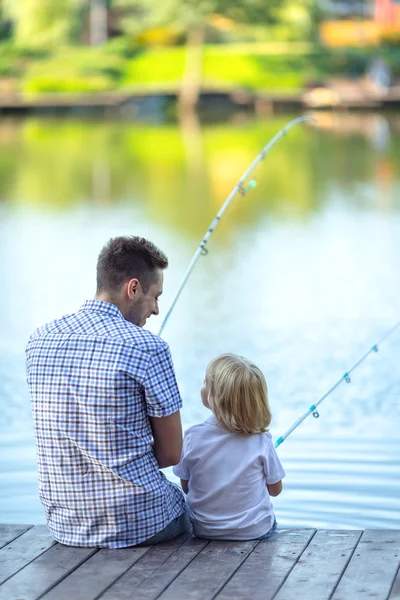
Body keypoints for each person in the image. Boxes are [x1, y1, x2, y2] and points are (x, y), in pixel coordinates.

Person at [26, 236, 189, 548]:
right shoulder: (148, 347)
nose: (156, 309)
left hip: (65, 525)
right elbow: (171, 453)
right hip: (140, 522)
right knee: (197, 512)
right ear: (133, 288)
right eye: (155, 297)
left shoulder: (39, 340)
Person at [173, 353, 285, 540]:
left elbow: (186, 486)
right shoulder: (262, 440)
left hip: (204, 529)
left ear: (215, 397)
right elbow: (275, 490)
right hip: (254, 530)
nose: (202, 385)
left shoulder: (193, 436)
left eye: (205, 382)